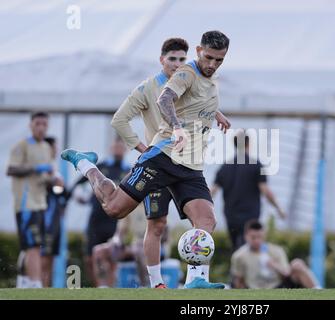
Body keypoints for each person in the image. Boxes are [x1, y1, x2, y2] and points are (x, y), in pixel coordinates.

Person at [61, 30, 231, 289]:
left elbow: (197, 98)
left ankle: (196, 279)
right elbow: (165, 98)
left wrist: (217, 114)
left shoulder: (210, 78)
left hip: (190, 167)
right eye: (208, 58)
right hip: (162, 158)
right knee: (114, 209)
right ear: (198, 51)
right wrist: (176, 127)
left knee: (206, 221)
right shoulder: (186, 72)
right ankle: (87, 165)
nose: (212, 64)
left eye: (219, 60)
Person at [69, 137, 131, 287]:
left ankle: (109, 286)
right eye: (115, 147)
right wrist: (75, 195)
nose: (118, 150)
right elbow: (78, 184)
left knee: (111, 255)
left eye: (121, 147)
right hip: (96, 218)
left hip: (115, 220)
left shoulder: (128, 171)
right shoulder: (100, 167)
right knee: (90, 257)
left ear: (125, 150)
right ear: (111, 148)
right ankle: (98, 287)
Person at [211, 131, 286, 252]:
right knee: (250, 247)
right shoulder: (256, 165)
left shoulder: (225, 167)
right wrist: (278, 208)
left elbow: (212, 191)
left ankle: (236, 269)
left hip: (231, 215)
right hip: (250, 214)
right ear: (248, 144)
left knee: (236, 247)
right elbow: (265, 191)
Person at [7, 111, 54, 288]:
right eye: (37, 124)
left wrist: (52, 179)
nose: (41, 127)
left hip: (41, 203)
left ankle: (24, 281)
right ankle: (35, 283)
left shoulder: (46, 148)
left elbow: (44, 177)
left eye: (44, 124)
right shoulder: (22, 146)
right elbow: (11, 169)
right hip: (26, 204)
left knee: (33, 246)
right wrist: (36, 168)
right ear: (31, 125)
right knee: (32, 246)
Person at [231, 220, 321, 289]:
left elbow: (286, 273)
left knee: (297, 264)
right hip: (253, 289)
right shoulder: (239, 256)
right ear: (246, 236)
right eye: (253, 237)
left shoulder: (276, 250)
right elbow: (238, 281)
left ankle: (319, 293)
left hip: (278, 286)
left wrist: (274, 265)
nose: (257, 241)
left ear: (264, 235)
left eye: (259, 237)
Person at [92, 204, 148, 288]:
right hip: (132, 247)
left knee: (138, 250)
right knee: (98, 251)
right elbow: (120, 232)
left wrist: (145, 241)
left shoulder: (156, 203)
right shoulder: (130, 206)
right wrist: (116, 242)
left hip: (151, 247)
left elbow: (163, 233)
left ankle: (144, 286)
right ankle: (103, 287)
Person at [40, 136, 67, 287]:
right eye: (53, 147)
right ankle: (37, 288)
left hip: (54, 218)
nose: (56, 150)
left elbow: (61, 191)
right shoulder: (42, 167)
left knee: (50, 257)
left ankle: (45, 291)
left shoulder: (53, 168)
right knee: (42, 257)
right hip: (45, 218)